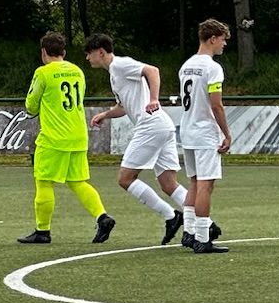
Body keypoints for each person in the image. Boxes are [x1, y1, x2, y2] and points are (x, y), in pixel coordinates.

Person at [82, 33, 186, 246]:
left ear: (100, 52)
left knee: (125, 179)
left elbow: (152, 71)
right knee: (168, 183)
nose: (87, 58)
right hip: (161, 125)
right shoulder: (114, 73)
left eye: (89, 54)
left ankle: (171, 216)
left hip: (150, 126)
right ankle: (205, 222)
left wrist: (154, 98)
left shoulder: (120, 64)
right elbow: (123, 107)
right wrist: (105, 115)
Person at [17, 31, 114, 246]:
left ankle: (42, 231)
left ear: (44, 52)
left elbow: (30, 105)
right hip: (78, 136)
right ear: (64, 52)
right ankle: (102, 217)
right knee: (78, 182)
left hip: (53, 138)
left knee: (44, 182)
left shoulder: (43, 73)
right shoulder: (77, 71)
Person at [175, 20, 233, 253]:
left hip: (188, 131)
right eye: (223, 39)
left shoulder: (186, 65)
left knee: (194, 183)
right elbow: (216, 105)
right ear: (212, 38)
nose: (224, 44)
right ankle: (202, 238)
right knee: (205, 186)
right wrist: (226, 134)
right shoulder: (212, 68)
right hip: (204, 133)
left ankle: (188, 233)